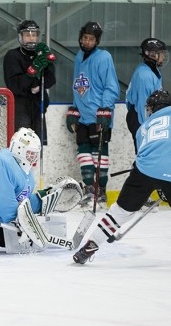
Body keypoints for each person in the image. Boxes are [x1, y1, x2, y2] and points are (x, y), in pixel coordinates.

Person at [73, 89, 171, 264]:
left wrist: (158, 183)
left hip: (144, 171)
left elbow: (147, 157)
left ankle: (89, 246)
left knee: (120, 212)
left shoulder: (144, 127)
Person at [66, 21, 120, 208]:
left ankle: (102, 192)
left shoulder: (104, 57)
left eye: (91, 39)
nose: (87, 42)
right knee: (83, 153)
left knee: (100, 154)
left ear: (97, 41)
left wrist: (105, 111)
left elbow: (111, 86)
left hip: (98, 113)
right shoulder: (79, 57)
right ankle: (89, 189)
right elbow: (78, 85)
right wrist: (74, 109)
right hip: (83, 115)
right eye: (85, 38)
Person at [125, 38, 168, 209]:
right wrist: (148, 129)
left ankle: (144, 193)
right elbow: (144, 106)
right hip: (140, 119)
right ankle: (139, 195)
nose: (163, 57)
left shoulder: (152, 71)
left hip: (147, 119)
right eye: (161, 54)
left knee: (149, 155)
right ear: (151, 54)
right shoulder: (144, 75)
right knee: (145, 155)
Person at [3, 20, 56, 144]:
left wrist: (47, 65)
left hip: (38, 107)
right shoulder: (12, 56)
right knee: (21, 147)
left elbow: (50, 81)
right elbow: (15, 86)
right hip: (20, 109)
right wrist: (33, 71)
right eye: (27, 35)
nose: (31, 38)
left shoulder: (41, 54)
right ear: (20, 37)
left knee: (36, 148)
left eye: (34, 35)